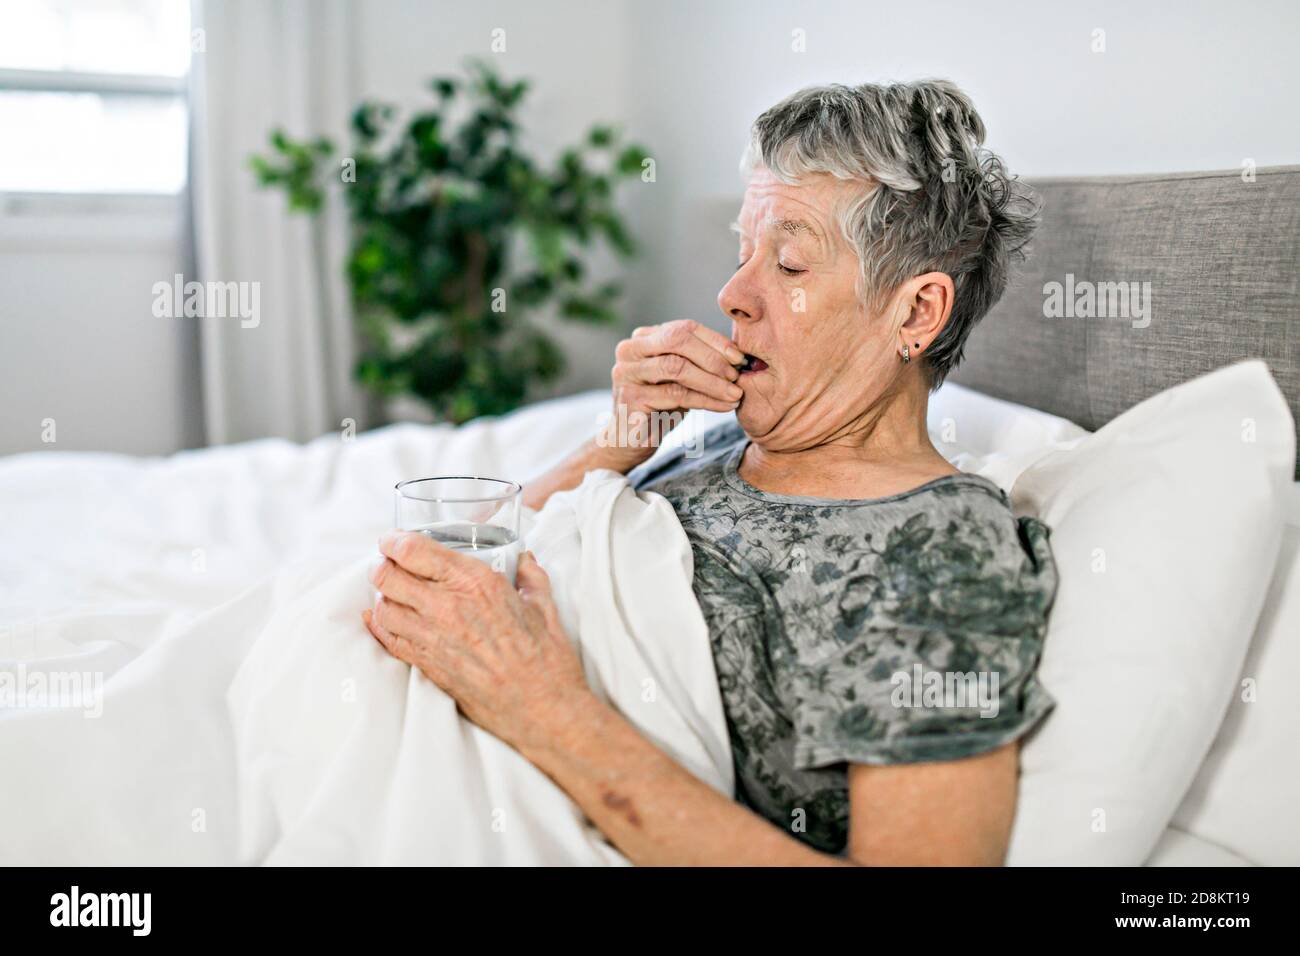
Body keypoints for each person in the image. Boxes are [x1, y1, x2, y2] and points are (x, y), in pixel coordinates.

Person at [364, 79, 1057, 865]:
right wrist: (616, 444)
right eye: (742, 252)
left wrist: (535, 703)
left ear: (915, 313)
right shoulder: (716, 438)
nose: (731, 295)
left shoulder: (941, 553)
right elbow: (477, 555)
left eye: (790, 264)